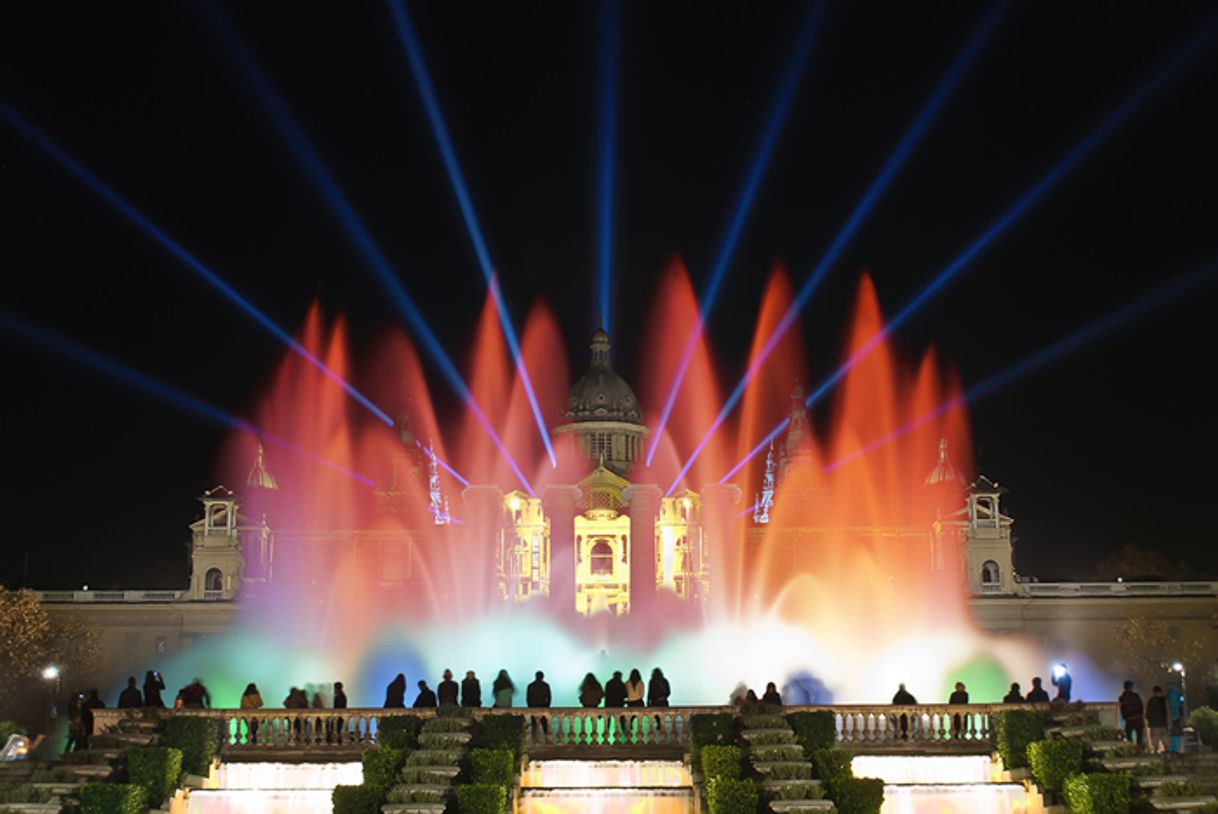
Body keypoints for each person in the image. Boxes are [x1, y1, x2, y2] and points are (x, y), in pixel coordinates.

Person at [527, 671, 552, 742]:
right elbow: (549, 697)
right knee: (545, 726)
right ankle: (547, 741)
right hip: (543, 707)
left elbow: (528, 698)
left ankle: (534, 741)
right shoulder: (546, 685)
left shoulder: (530, 686)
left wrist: (530, 707)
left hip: (533, 708)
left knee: (534, 726)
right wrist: (547, 706)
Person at [1119, 680, 1144, 748]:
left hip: (1129, 719)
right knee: (1140, 736)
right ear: (1131, 687)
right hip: (1138, 718)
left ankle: (1131, 749)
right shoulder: (1136, 696)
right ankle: (1140, 749)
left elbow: (1122, 708)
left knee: (1129, 736)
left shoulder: (1122, 698)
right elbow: (1141, 706)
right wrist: (1141, 714)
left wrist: (1124, 717)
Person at [1146, 685, 1169, 753]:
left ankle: (1155, 750)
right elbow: (1168, 711)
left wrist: (1149, 721)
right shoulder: (1164, 700)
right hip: (1163, 722)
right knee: (1165, 736)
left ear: (1154, 692)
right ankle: (1167, 749)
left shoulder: (1151, 700)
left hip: (1154, 723)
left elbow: (1148, 712)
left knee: (1155, 737)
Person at [1167, 682, 1184, 753]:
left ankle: (1171, 748)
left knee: (1172, 732)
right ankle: (1176, 748)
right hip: (1177, 717)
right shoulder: (1177, 694)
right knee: (1176, 732)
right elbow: (1181, 702)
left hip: (1171, 717)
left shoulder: (1169, 695)